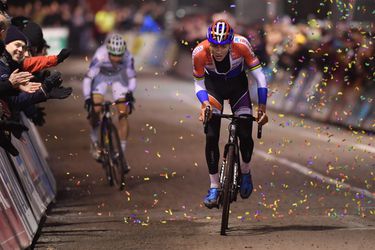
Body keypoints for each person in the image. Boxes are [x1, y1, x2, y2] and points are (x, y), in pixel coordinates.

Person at [192, 19, 269, 208]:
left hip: (238, 88)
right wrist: (204, 104)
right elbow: (198, 83)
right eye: (215, 45)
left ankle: (245, 170)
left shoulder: (242, 45)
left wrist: (262, 108)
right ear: (209, 41)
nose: (218, 50)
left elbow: (259, 77)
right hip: (213, 88)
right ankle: (214, 186)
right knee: (211, 135)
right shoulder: (199, 52)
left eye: (223, 46)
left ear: (230, 43)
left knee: (244, 132)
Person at [82, 33, 136, 168]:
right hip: (101, 78)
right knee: (96, 109)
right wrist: (88, 98)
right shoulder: (100, 55)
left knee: (123, 114)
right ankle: (94, 141)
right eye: (114, 55)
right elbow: (88, 78)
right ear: (108, 51)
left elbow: (132, 78)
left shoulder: (128, 56)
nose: (117, 59)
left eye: (120, 56)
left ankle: (121, 154)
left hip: (118, 79)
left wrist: (129, 92)